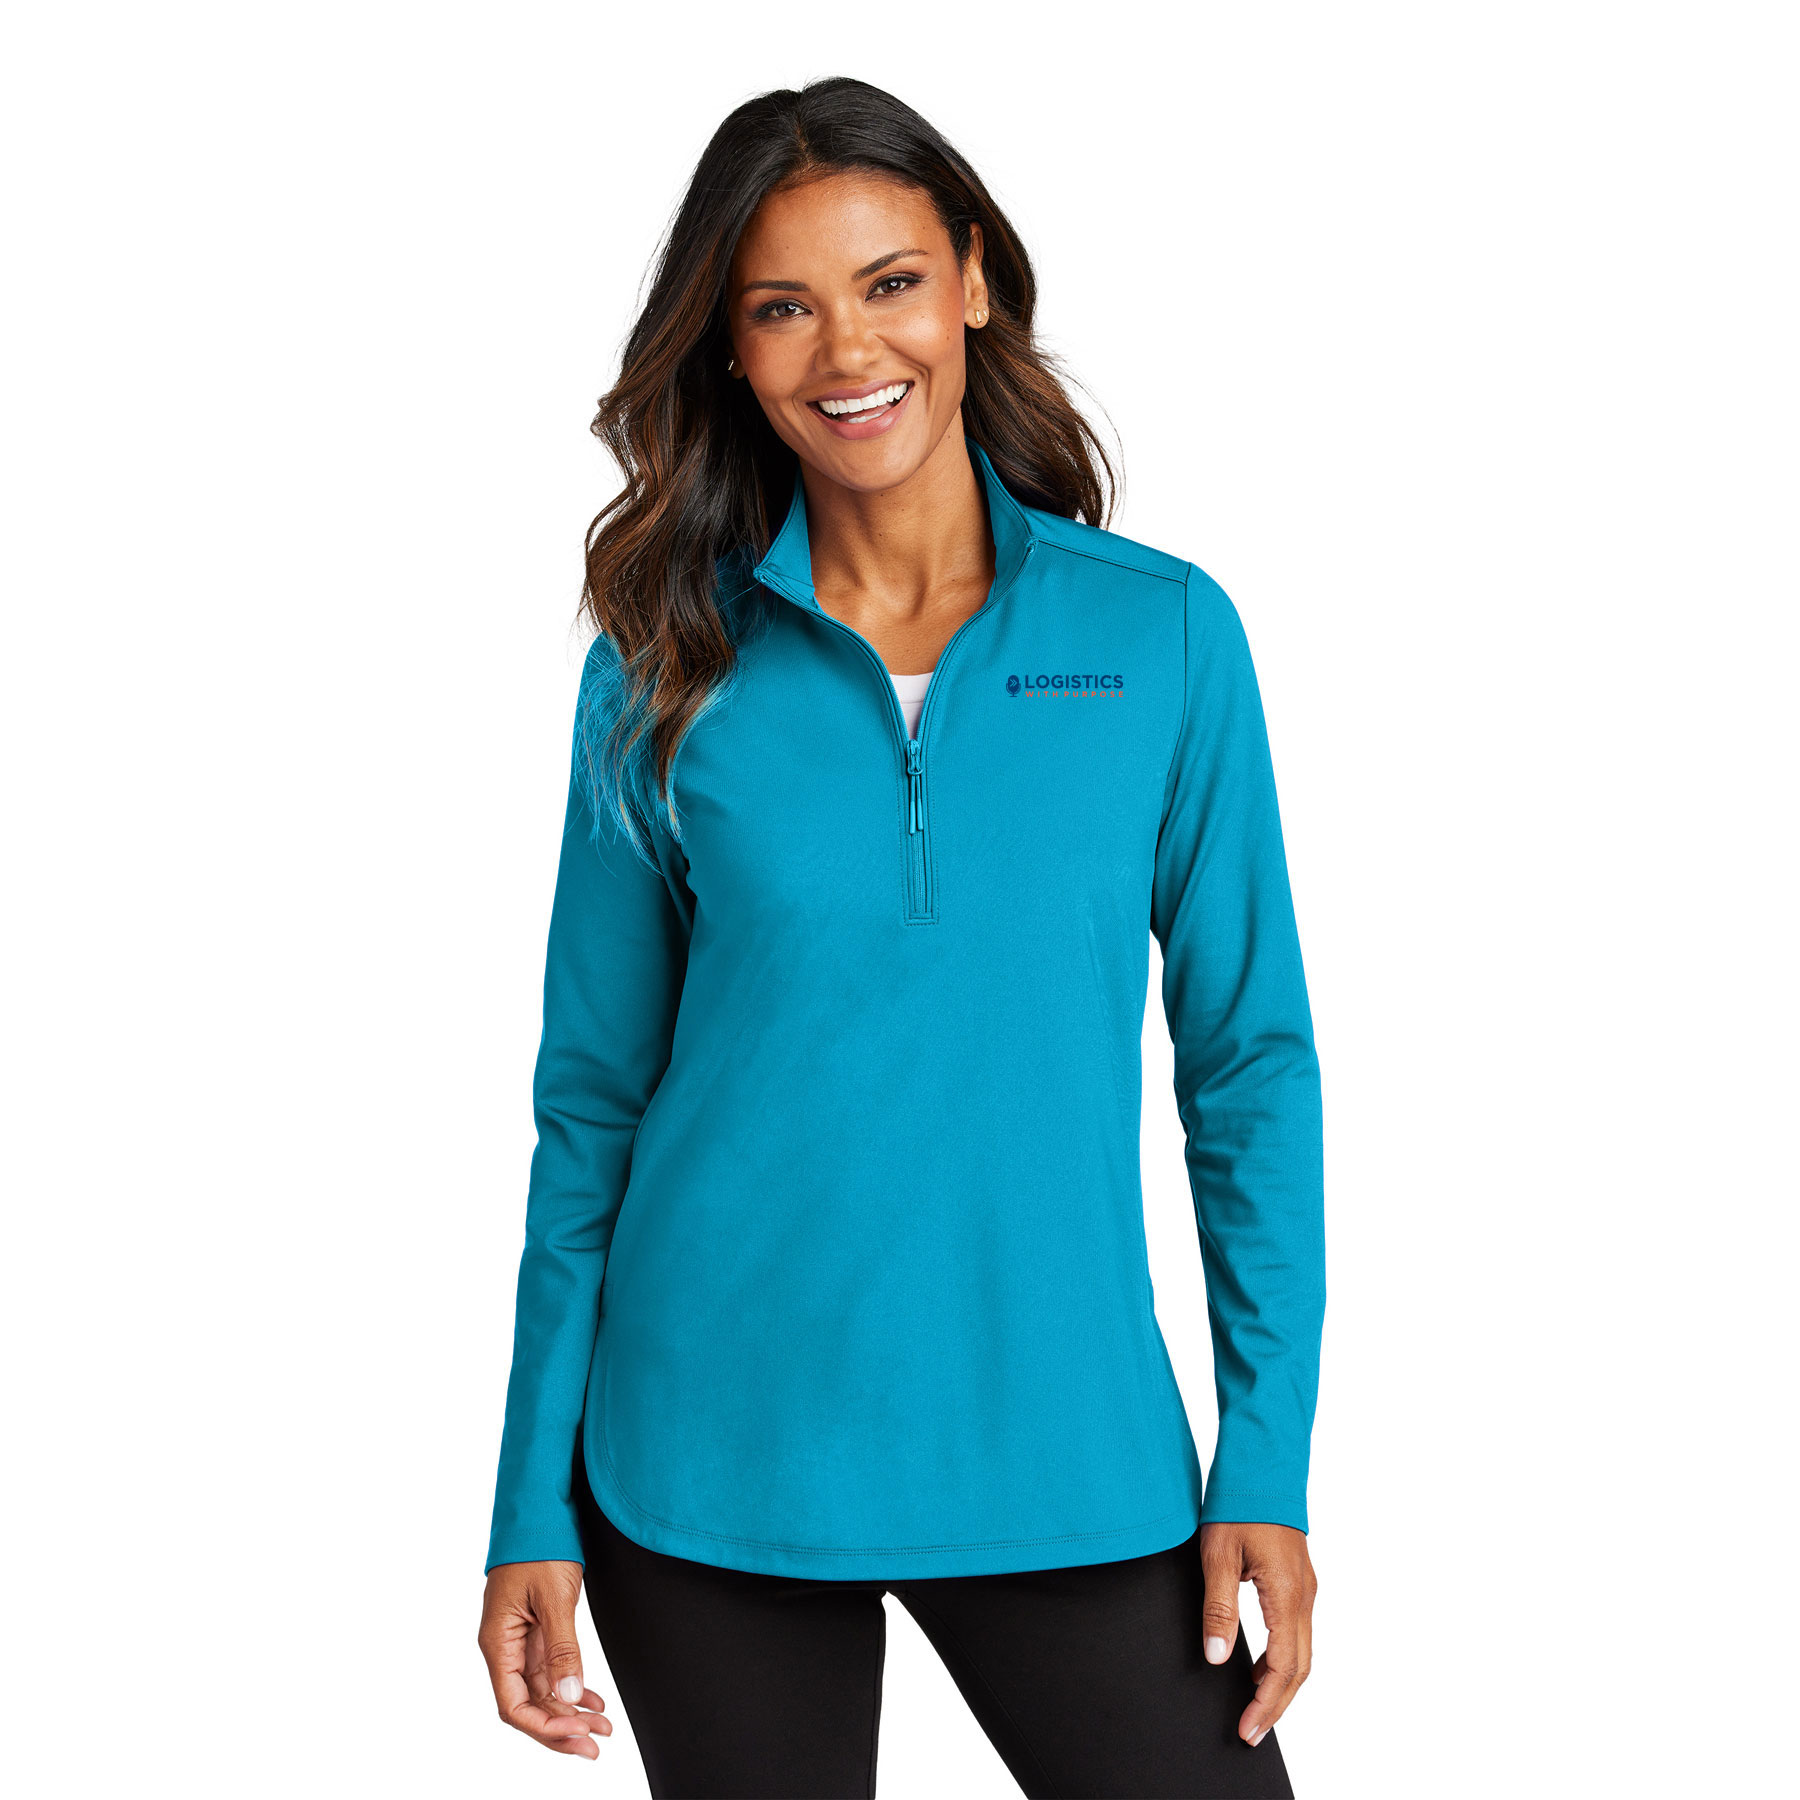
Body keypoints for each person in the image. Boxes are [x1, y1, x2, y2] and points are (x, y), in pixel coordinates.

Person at [477, 77, 1325, 1800]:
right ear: (730, 351)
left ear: (974, 282)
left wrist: (1267, 1459)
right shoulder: (663, 664)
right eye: (782, 306)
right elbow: (594, 1101)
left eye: (890, 283)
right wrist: (526, 1501)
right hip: (706, 1456)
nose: (848, 349)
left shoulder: (1162, 639)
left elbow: (1250, 1071)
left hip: (1062, 1447)